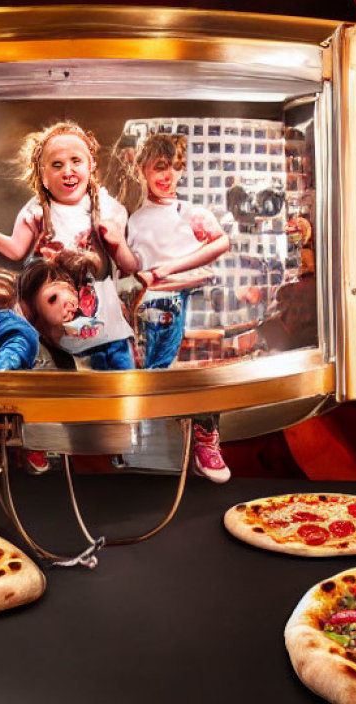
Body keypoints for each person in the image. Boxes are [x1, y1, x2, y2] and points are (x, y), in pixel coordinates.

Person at [103, 133, 232, 482]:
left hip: (189, 297)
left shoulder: (190, 212)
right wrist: (115, 244)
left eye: (175, 168)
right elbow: (131, 266)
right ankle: (135, 433)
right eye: (160, 167)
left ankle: (201, 434)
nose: (168, 175)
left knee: (185, 372)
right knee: (151, 369)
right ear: (142, 168)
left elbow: (221, 242)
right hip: (153, 305)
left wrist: (169, 269)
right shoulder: (136, 219)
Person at [0, 121, 134, 370]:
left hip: (106, 329)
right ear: (43, 174)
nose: (68, 171)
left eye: (76, 161)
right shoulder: (36, 210)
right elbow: (15, 250)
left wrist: (117, 243)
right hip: (55, 336)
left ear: (91, 165)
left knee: (119, 392)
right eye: (57, 165)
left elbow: (129, 265)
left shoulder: (107, 208)